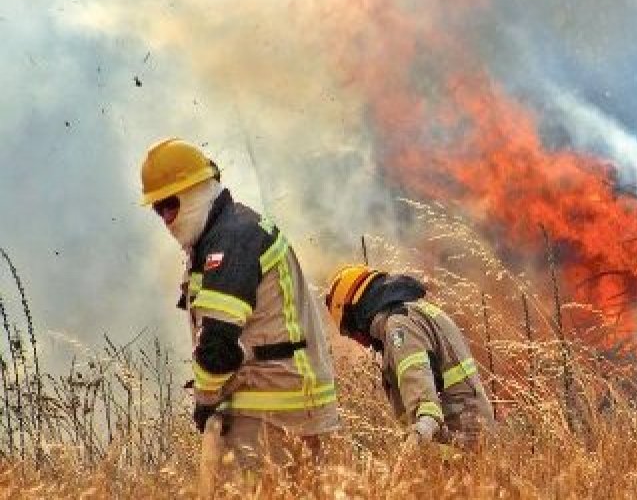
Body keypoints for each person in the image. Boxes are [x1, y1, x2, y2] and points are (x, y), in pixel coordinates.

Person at [139, 138, 339, 471]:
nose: (166, 218)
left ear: (197, 191)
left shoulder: (231, 239)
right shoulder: (232, 230)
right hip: (284, 405)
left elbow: (219, 345)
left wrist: (205, 399)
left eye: (170, 205)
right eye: (158, 209)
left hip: (269, 410)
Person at [325, 264, 495, 447]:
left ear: (355, 313)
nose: (358, 340)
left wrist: (416, 439)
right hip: (473, 427)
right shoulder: (416, 310)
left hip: (455, 437)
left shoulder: (399, 326)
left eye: (349, 331)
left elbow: (422, 394)